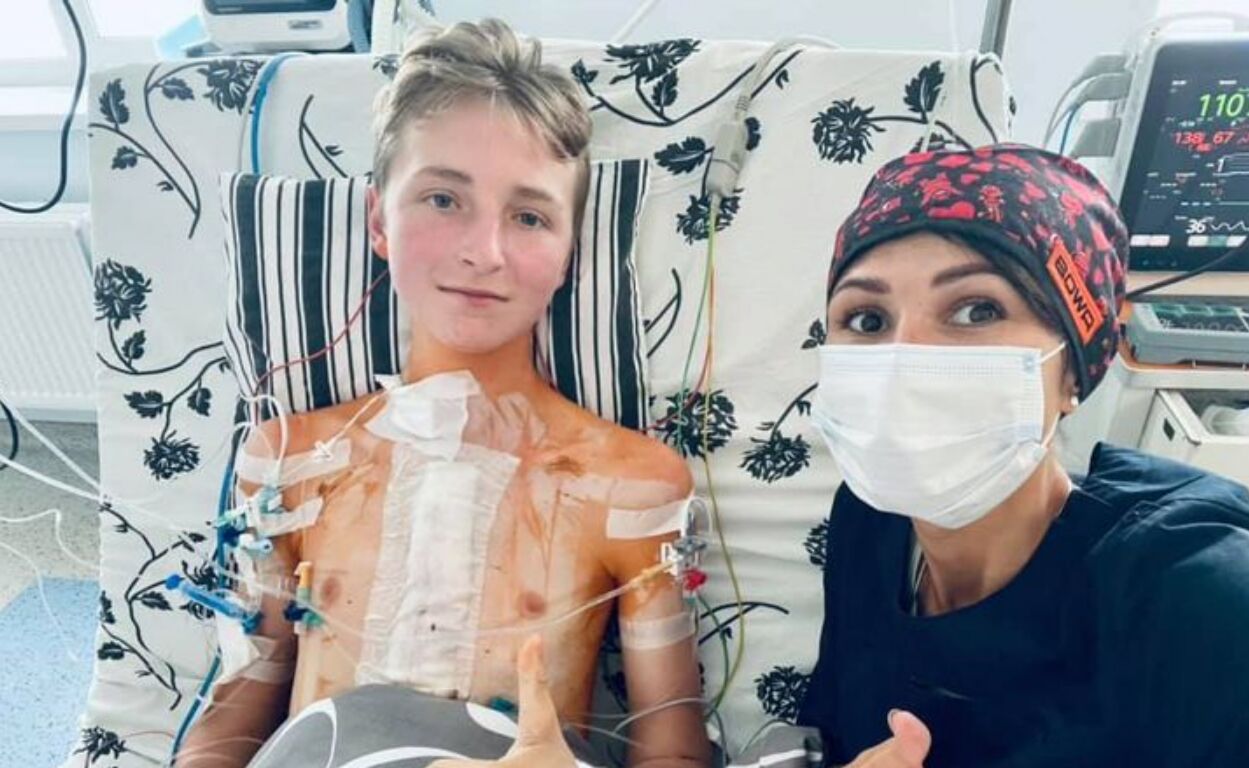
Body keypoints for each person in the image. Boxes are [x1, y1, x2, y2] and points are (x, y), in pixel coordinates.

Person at [177, 19, 709, 767]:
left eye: (529, 217)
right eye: (442, 199)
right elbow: (233, 717)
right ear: (378, 221)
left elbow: (671, 749)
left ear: (568, 252)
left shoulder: (632, 486)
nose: (482, 252)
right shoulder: (288, 462)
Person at [797, 144, 1249, 767]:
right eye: (868, 320)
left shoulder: (1199, 603)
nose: (904, 360)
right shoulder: (868, 523)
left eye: (976, 310)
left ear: (1073, 372)